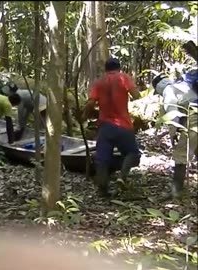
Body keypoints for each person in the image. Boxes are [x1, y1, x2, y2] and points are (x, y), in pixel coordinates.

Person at [81, 58, 142, 197]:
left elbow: (91, 103)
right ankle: (122, 177)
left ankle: (102, 190)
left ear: (105, 69)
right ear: (119, 68)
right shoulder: (123, 77)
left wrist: (84, 115)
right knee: (133, 154)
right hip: (124, 125)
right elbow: (136, 95)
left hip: (105, 126)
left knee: (102, 159)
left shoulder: (99, 82)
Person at [152, 70, 198, 199]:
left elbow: (173, 117)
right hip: (193, 113)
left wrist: (172, 135)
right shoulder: (181, 85)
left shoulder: (168, 91)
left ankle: (175, 191)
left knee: (180, 155)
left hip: (194, 116)